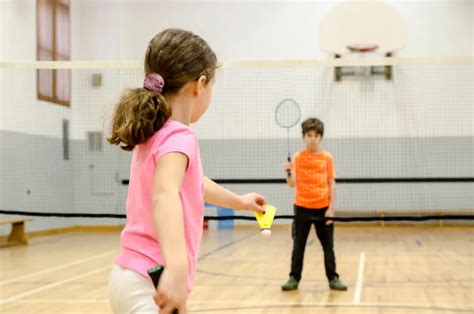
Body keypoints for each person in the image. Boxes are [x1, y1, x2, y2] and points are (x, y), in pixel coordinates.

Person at [107, 28, 266, 314]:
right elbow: (165, 194)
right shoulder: (180, 137)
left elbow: (194, 185)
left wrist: (240, 201)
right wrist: (177, 267)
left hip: (127, 278)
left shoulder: (154, 133)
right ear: (200, 84)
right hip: (152, 281)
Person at [281, 117, 347, 291]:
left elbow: (332, 182)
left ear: (321, 137)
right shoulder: (297, 157)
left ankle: (333, 278)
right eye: (309, 135)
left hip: (323, 208)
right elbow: (292, 184)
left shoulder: (327, 158)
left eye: (316, 135)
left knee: (328, 247)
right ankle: (293, 278)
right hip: (302, 207)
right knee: (298, 246)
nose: (312, 138)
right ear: (303, 136)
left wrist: (331, 208)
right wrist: (288, 173)